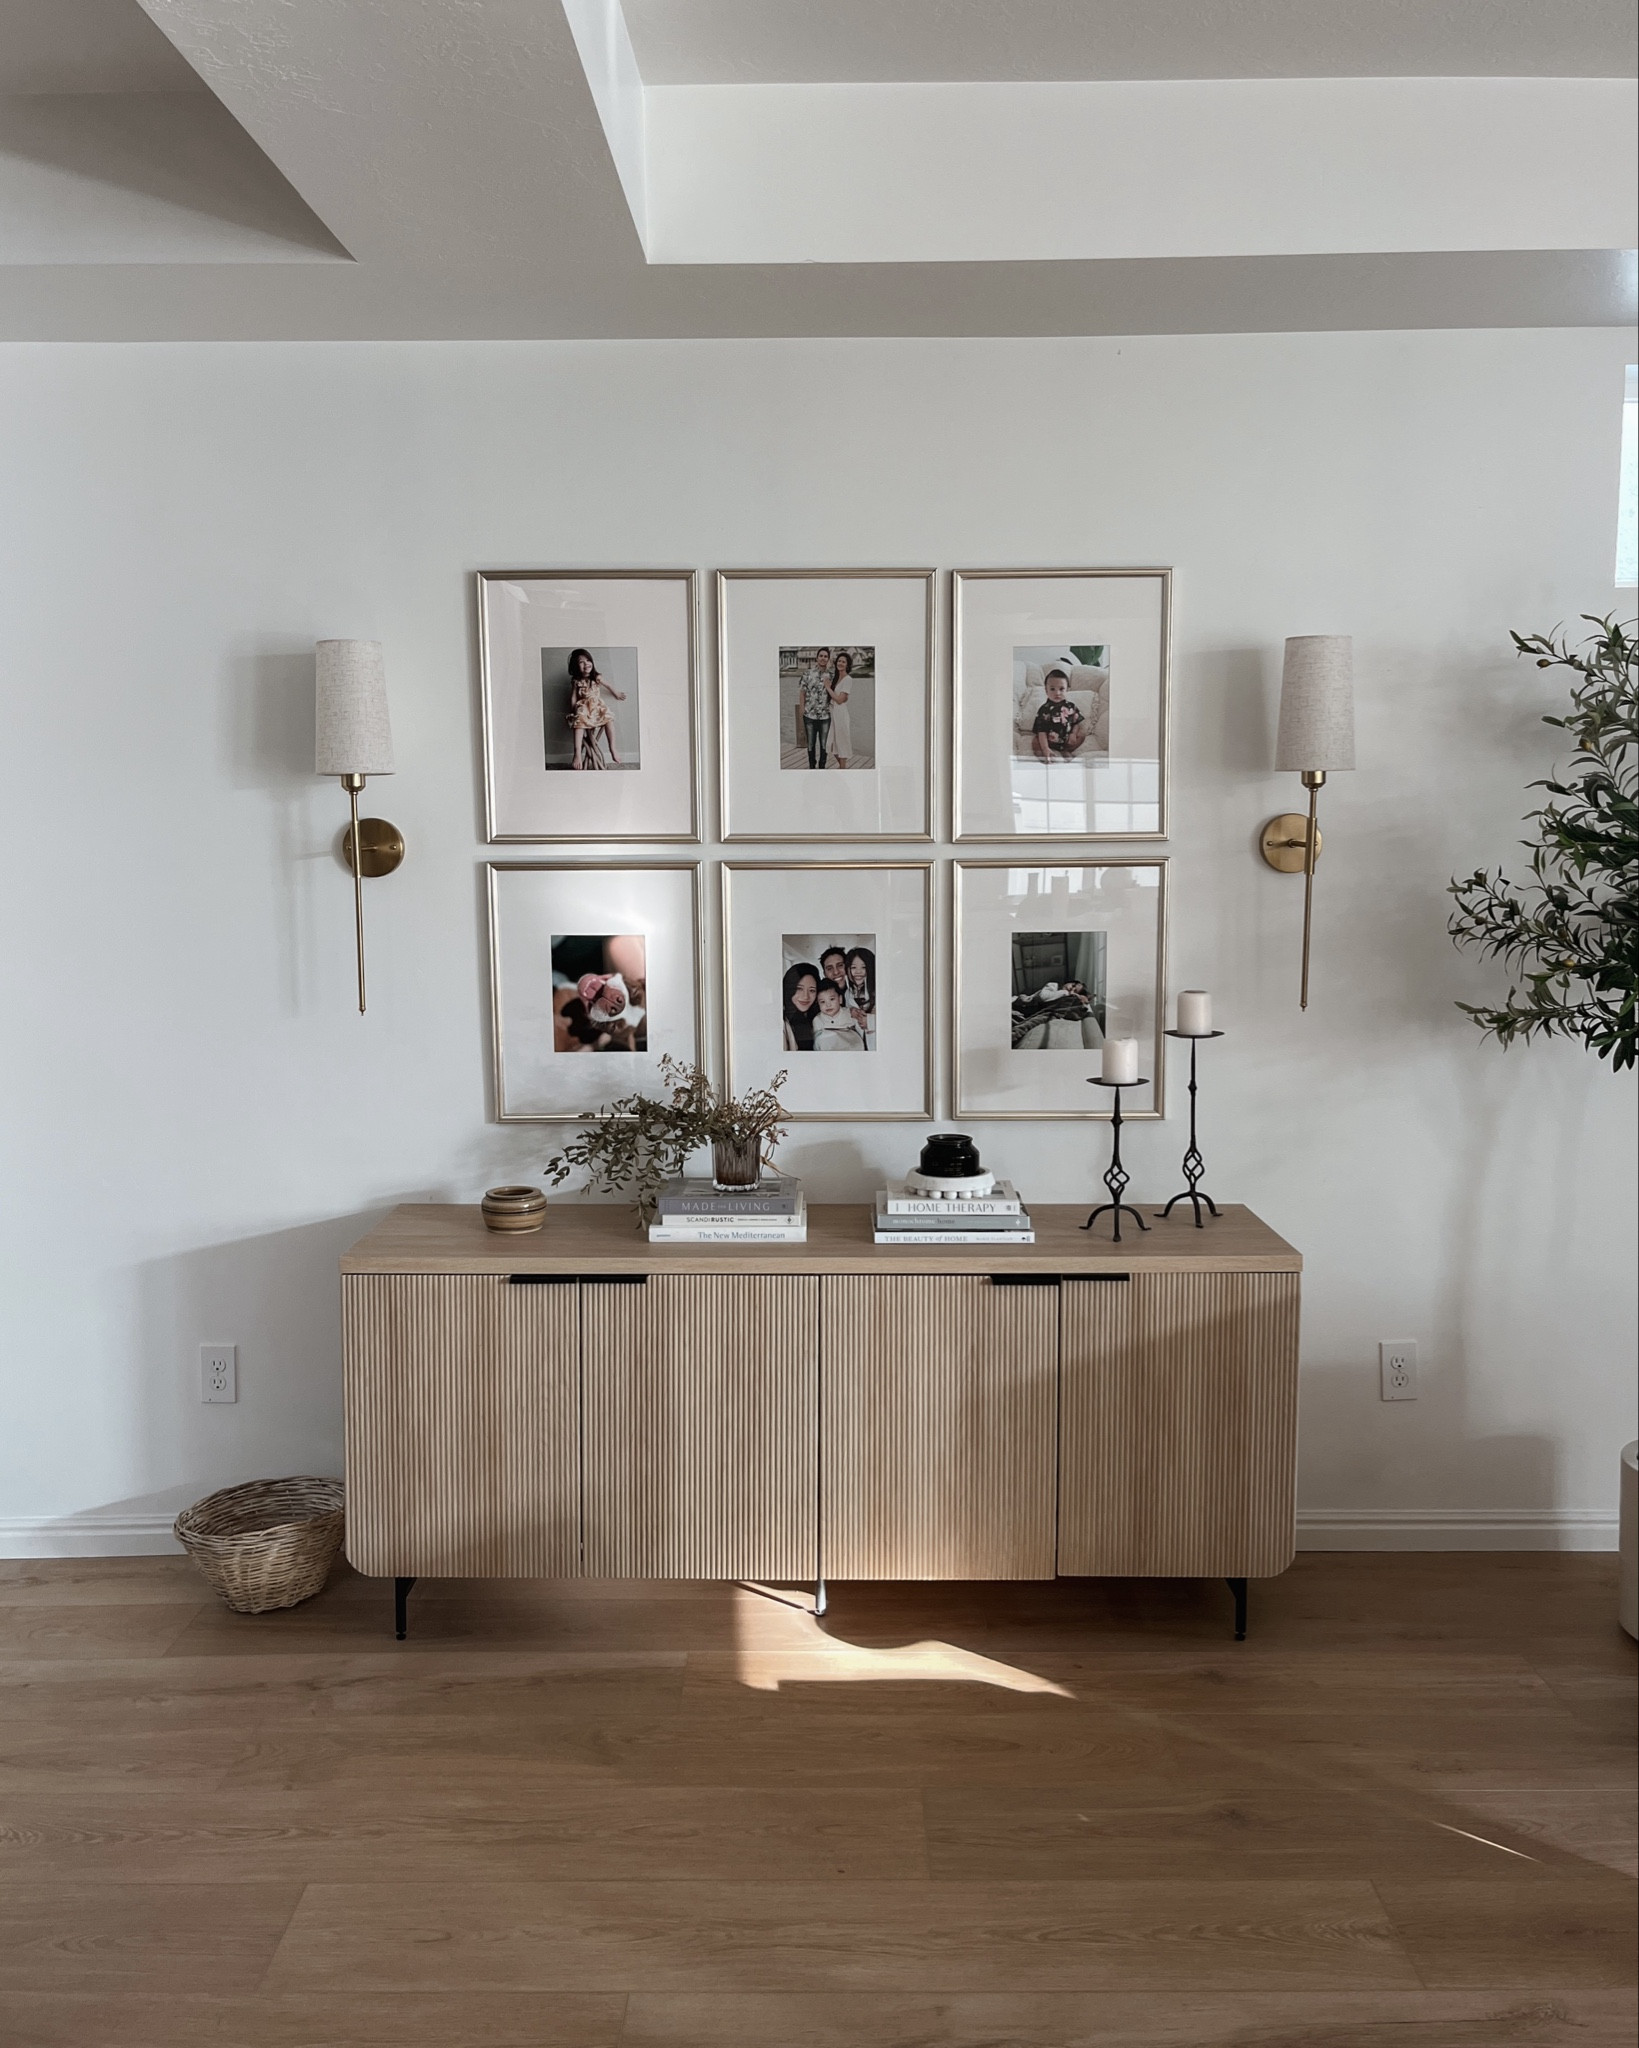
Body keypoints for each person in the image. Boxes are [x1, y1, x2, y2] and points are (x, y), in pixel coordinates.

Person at [566, 647, 627, 770]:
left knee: (609, 719)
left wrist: (616, 693)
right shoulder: (576, 681)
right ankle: (577, 753)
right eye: (581, 662)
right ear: (575, 666)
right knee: (579, 722)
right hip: (584, 706)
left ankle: (612, 748)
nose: (586, 664)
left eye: (588, 660)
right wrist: (573, 711)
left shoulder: (597, 677)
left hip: (597, 705)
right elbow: (573, 696)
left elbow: (608, 685)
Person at [1030, 665, 1087, 762]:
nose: (1057, 693)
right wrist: (1045, 748)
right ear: (1046, 690)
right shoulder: (1044, 709)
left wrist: (1073, 734)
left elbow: (1076, 723)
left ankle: (1066, 750)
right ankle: (1045, 754)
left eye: (1061, 689)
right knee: (1035, 741)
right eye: (1052, 689)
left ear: (1067, 690)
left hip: (1067, 739)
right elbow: (1041, 732)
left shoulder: (1071, 706)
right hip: (1048, 741)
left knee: (1082, 735)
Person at [796, 647, 834, 770]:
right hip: (810, 716)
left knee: (824, 745)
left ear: (828, 659)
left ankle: (822, 767)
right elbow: (802, 692)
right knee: (811, 745)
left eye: (825, 656)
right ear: (817, 658)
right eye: (821, 656)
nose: (823, 658)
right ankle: (812, 766)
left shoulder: (832, 675)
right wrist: (802, 709)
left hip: (825, 716)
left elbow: (835, 693)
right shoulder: (807, 673)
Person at [811, 981, 866, 1051]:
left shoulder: (849, 1014)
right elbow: (818, 1042)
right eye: (822, 1002)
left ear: (840, 999)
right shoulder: (818, 1020)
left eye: (832, 999)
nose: (828, 1005)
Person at [782, 961, 820, 1051]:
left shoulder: (819, 1018)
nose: (806, 996)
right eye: (799, 989)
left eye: (812, 990)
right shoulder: (781, 1023)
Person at [843, 944, 876, 1050]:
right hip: (859, 1045)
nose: (858, 972)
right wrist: (849, 1013)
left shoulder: (879, 991)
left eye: (863, 967)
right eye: (853, 967)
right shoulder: (848, 993)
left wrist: (870, 1022)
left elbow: (892, 1019)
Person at [827, 650, 855, 769]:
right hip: (833, 713)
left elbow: (839, 700)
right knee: (831, 744)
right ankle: (842, 767)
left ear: (847, 665)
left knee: (842, 744)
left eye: (843, 662)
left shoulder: (848, 679)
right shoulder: (836, 678)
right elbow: (838, 697)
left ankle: (843, 769)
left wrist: (828, 688)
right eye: (839, 661)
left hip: (841, 714)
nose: (840, 663)